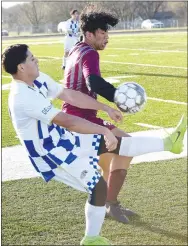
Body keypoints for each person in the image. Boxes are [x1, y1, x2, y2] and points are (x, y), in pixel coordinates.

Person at [2, 44, 186, 245]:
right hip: (50, 154)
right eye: (31, 58)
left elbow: (70, 95)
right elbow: (68, 120)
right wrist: (104, 129)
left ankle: (170, 143)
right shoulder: (22, 97)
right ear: (21, 67)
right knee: (98, 186)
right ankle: (91, 239)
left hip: (61, 139)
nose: (36, 60)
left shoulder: (37, 80)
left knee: (118, 145)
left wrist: (105, 108)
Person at [62, 7, 134, 223]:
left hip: (73, 116)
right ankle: (111, 204)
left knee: (107, 162)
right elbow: (93, 81)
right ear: (90, 34)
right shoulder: (90, 53)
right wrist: (118, 97)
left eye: (107, 34)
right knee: (127, 146)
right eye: (103, 34)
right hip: (82, 118)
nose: (107, 38)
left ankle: (103, 203)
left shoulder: (76, 48)